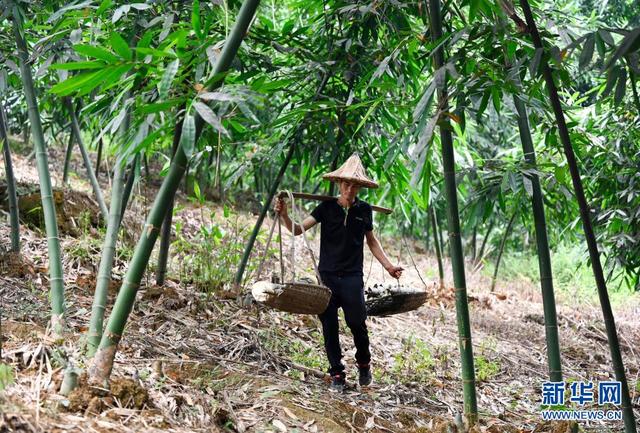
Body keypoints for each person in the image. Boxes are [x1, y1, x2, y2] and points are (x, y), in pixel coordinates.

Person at [274, 153, 403, 391]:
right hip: (328, 277)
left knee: (357, 322)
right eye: (346, 183)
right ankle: (336, 373)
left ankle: (364, 363)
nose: (350, 188)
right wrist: (284, 216)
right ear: (339, 184)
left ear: (360, 187)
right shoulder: (326, 208)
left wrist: (389, 266)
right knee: (329, 324)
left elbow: (372, 241)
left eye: (354, 185)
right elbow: (297, 229)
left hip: (352, 276)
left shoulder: (364, 210)